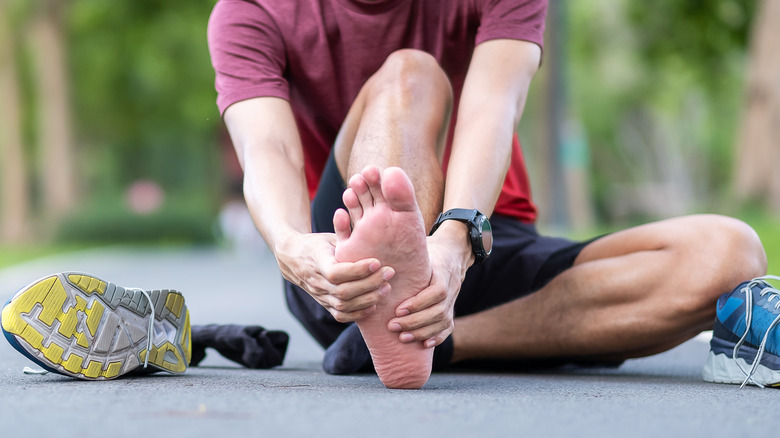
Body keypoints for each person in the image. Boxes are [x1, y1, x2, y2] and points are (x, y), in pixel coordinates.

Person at [207, 0, 770, 388]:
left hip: (480, 244)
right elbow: (268, 153)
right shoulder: (248, 13)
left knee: (730, 255)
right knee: (413, 75)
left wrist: (455, 242)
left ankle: (440, 341)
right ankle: (390, 291)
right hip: (344, 277)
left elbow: (494, 106)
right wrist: (290, 246)